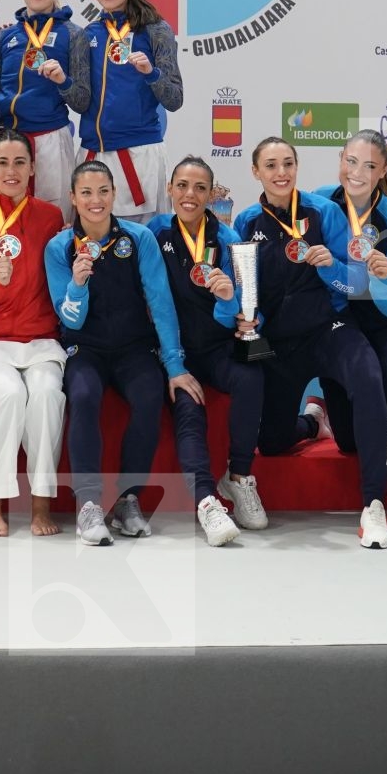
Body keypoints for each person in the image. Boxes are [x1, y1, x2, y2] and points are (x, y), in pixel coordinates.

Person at [48, 162, 237, 546]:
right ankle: (87, 503)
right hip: (86, 348)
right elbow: (69, 317)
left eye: (103, 191)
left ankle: (127, 498)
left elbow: (161, 302)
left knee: (150, 396)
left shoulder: (138, 239)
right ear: (73, 198)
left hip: (134, 348)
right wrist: (78, 283)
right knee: (83, 396)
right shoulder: (59, 247)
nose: (95, 200)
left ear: (114, 193)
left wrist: (175, 365)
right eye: (85, 192)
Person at [233, 138, 387, 548]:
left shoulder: (324, 211)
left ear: (297, 166)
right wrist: (251, 319)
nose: (281, 172)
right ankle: (311, 422)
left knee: (367, 375)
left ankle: (374, 504)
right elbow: (246, 292)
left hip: (330, 329)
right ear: (256, 172)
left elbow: (356, 283)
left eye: (288, 163)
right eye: (270, 165)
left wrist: (330, 267)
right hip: (279, 343)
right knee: (270, 442)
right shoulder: (246, 222)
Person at [146, 157, 268, 534]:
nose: (189, 195)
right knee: (188, 406)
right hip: (174, 349)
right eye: (182, 185)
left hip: (215, 347)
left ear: (211, 194)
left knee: (251, 379)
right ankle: (206, 501)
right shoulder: (154, 234)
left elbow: (242, 310)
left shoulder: (228, 239)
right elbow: (155, 302)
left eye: (200, 188)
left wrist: (229, 299)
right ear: (169, 189)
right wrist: (173, 365)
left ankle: (240, 475)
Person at [0, 130, 69, 537]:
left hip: (40, 341)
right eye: (2, 163)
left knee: (44, 398)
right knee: (8, 397)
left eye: (19, 162)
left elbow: (58, 286)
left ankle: (40, 507)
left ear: (33, 168)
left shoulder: (51, 217)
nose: (11, 171)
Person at [314, 130, 387, 535]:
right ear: (340, 158)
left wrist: (379, 280)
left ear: (384, 171)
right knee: (348, 441)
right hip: (346, 321)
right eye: (351, 161)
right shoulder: (322, 201)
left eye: (370, 166)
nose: (357, 172)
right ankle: (322, 414)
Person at [0, 0, 90, 216]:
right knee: (1, 219)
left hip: (49, 139)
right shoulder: (4, 37)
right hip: (7, 141)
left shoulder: (74, 35)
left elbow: (82, 101)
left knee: (54, 218)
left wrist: (63, 81)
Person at [77, 0, 183, 221]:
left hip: (139, 154)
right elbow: (78, 98)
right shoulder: (88, 34)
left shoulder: (156, 30)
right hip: (93, 153)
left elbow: (174, 99)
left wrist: (151, 73)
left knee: (143, 246)